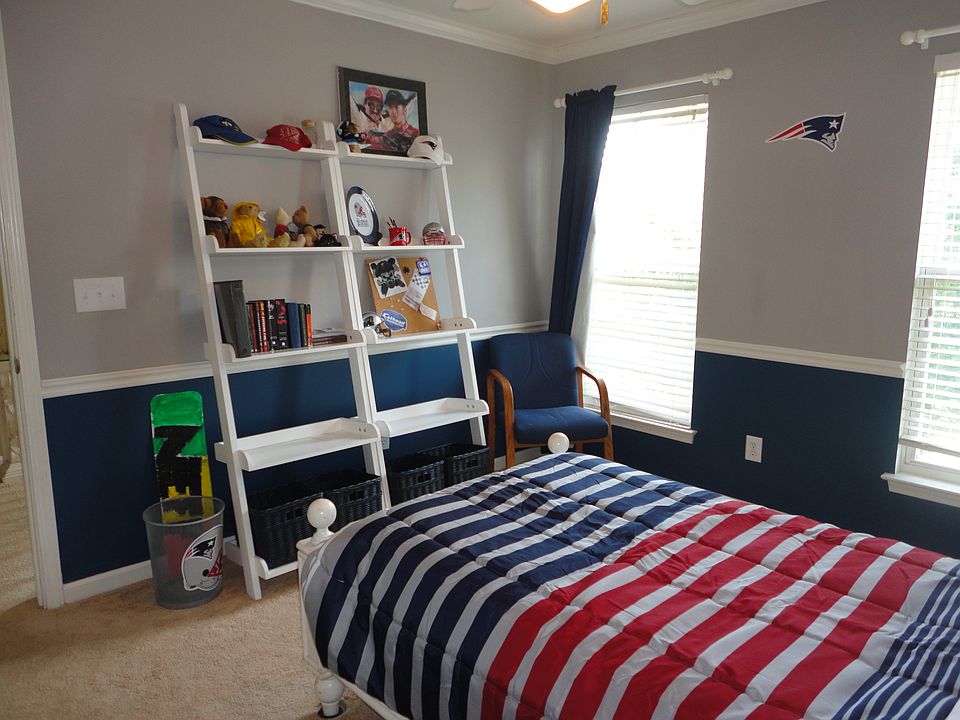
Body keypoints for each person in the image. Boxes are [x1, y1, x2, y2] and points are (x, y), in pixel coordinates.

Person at [382, 90, 420, 154]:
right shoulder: (387, 136)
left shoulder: (417, 134)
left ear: (404, 109)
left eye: (396, 107)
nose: (393, 112)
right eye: (390, 107)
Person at [352, 85, 387, 150]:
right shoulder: (359, 118)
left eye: (379, 107)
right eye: (371, 105)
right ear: (365, 104)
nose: (375, 110)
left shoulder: (384, 123)